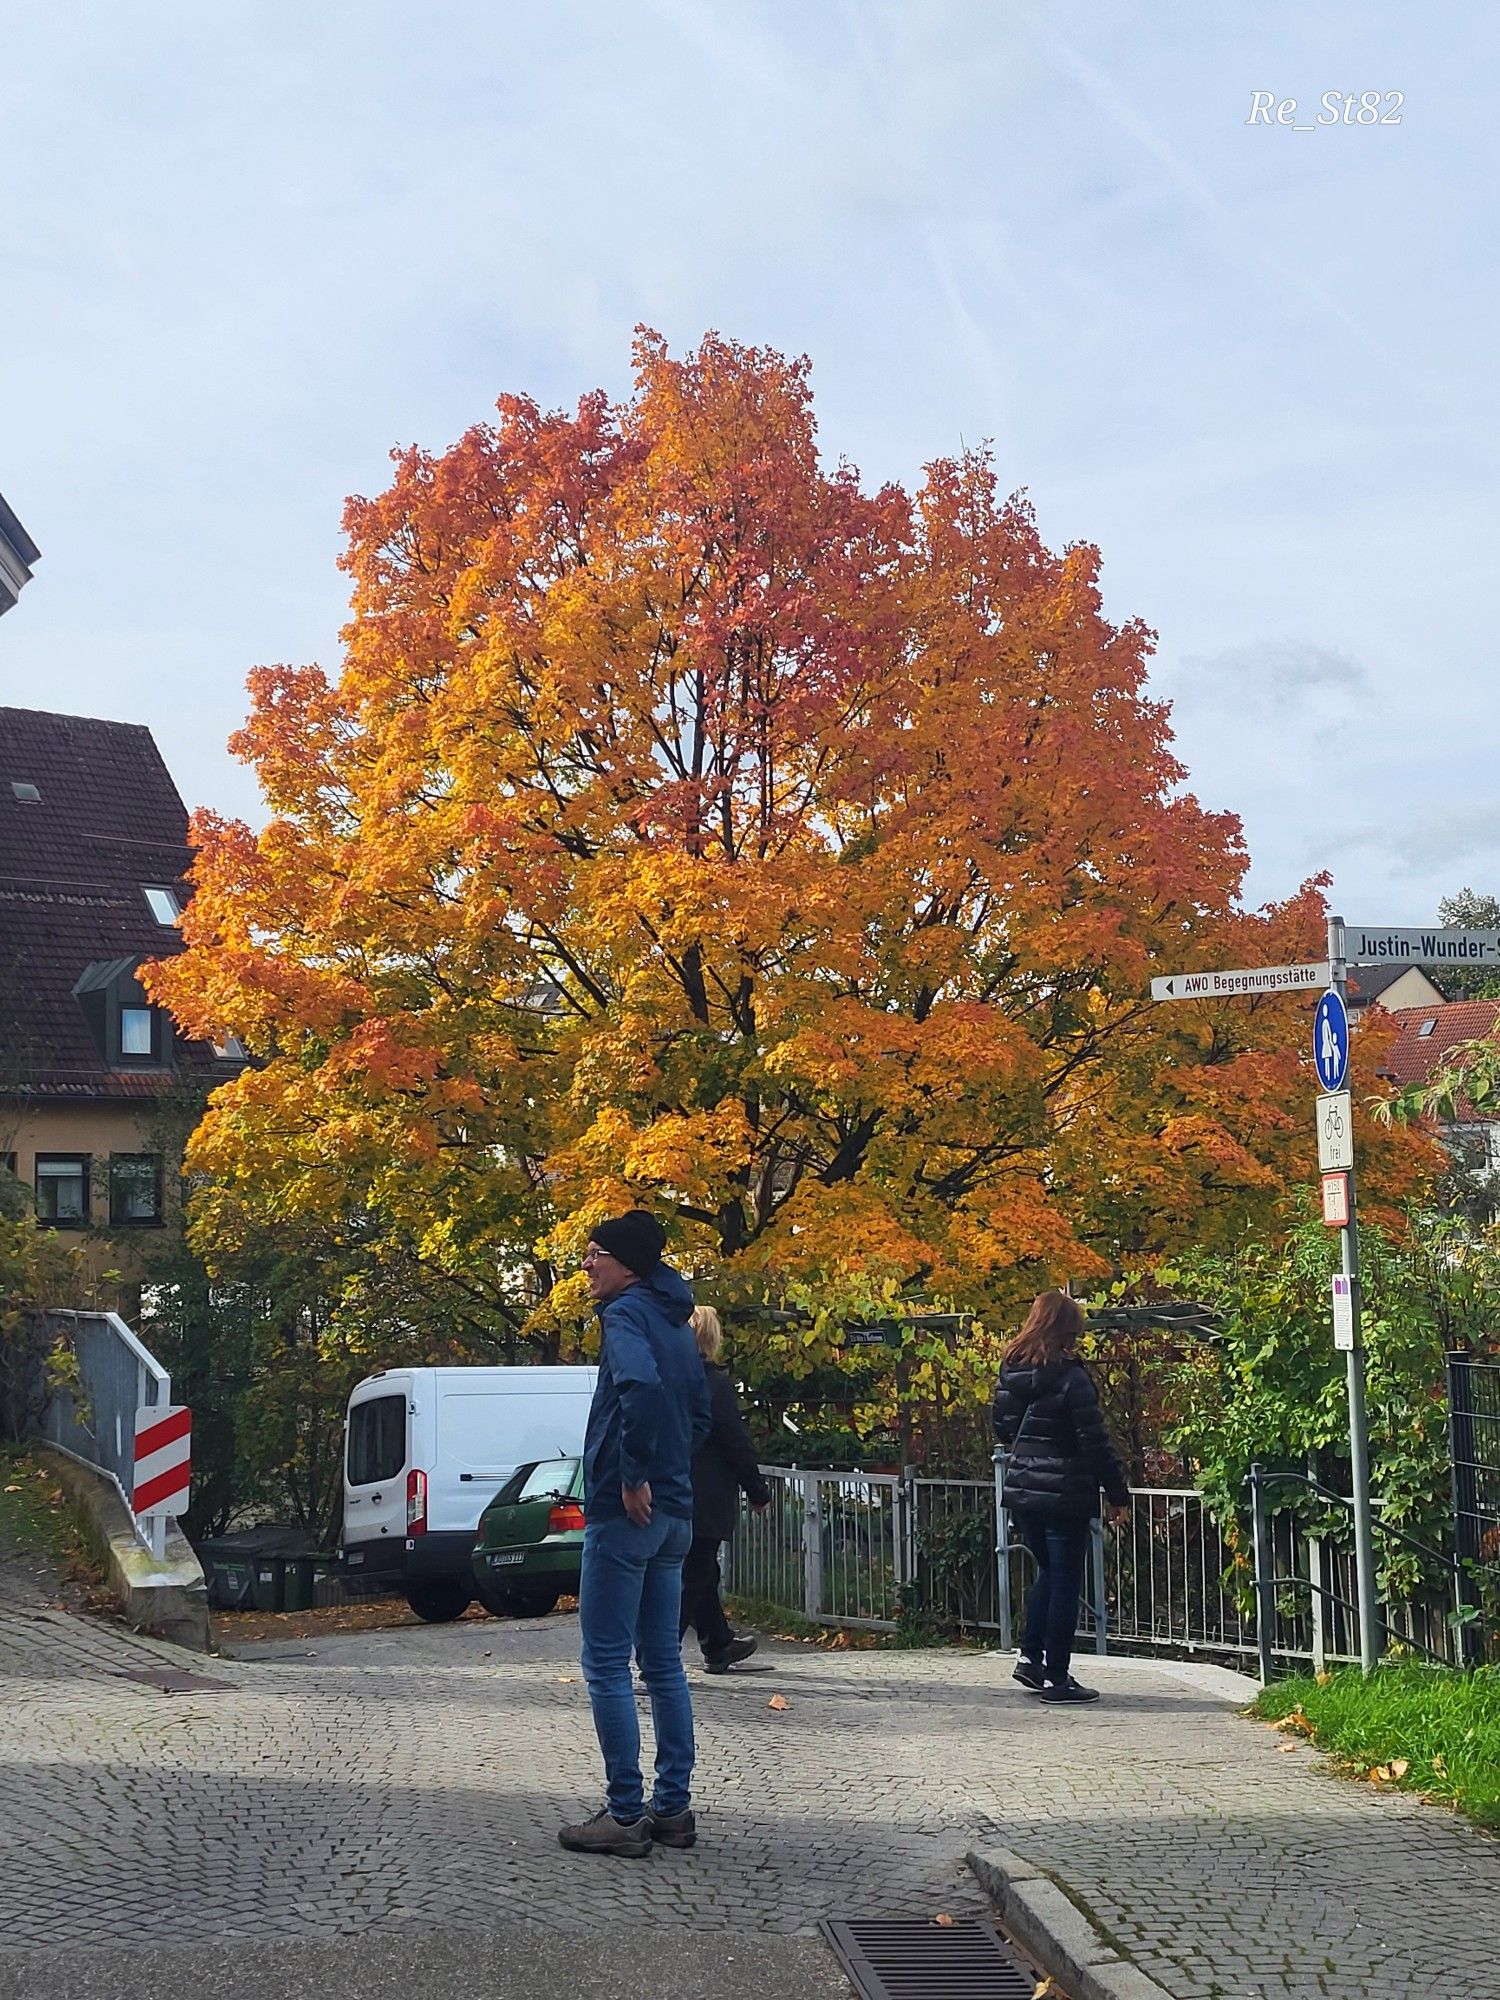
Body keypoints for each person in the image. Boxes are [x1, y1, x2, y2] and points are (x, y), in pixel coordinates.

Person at [558, 1209, 711, 1858]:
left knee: (605, 1663)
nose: (587, 1264)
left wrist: (633, 1475)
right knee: (665, 1665)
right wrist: (668, 1473)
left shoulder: (624, 1315)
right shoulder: (677, 1321)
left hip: (628, 1516)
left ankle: (624, 1816)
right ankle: (672, 1810)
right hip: (676, 1517)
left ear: (626, 1263)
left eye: (595, 1253)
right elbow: (699, 1411)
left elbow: (640, 1388)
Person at [992, 1289, 1129, 1705]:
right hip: (1065, 1490)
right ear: (1069, 1329)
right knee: (1065, 1581)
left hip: (1023, 1490)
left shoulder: (1010, 1369)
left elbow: (1002, 1427)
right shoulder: (1072, 1377)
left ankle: (1031, 1659)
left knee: (1050, 1574)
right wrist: (1117, 1492)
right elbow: (1094, 1441)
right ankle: (1057, 1677)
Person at [680, 1304, 771, 1672]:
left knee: (699, 1573)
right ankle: (660, 1657)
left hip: (672, 1490)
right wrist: (758, 1491)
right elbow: (736, 1441)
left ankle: (718, 1643)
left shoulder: (670, 1379)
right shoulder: (713, 1383)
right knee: (695, 1574)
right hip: (707, 1496)